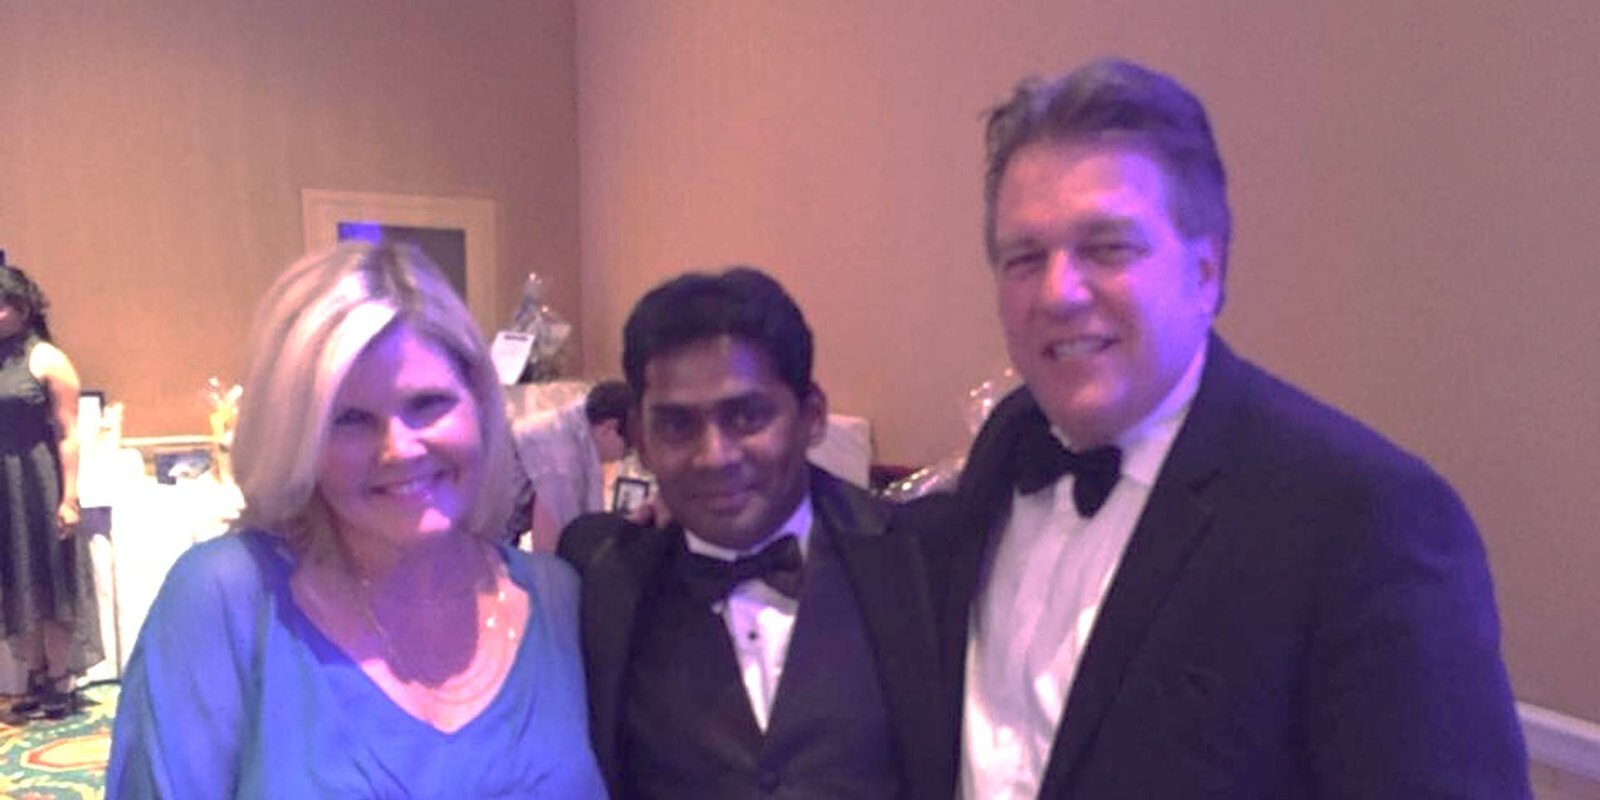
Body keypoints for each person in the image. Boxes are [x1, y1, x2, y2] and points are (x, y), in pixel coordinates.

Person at [933, 58, 1529, 797]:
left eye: (1108, 246)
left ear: (1206, 271)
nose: (1058, 292)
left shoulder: (1365, 517)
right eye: (1025, 257)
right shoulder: (1008, 443)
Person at [106, 242, 605, 798]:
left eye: (428, 404)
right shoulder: (224, 596)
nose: (399, 449)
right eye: (349, 419)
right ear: (297, 438)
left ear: (480, 405)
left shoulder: (559, 596)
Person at [559, 267, 952, 799]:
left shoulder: (918, 563)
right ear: (642, 441)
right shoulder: (604, 585)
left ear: (812, 417)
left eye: (747, 417)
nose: (714, 456)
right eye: (677, 425)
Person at [0, 263, 102, 720]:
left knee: (50, 580)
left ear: (23, 309)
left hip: (38, 481)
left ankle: (59, 678)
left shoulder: (48, 359)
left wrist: (69, 497)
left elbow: (68, 434)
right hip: (2, 485)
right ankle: (36, 674)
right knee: (14, 580)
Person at [513, 379, 632, 551]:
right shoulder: (562, 457)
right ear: (608, 428)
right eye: (629, 448)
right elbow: (549, 549)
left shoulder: (565, 427)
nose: (622, 457)